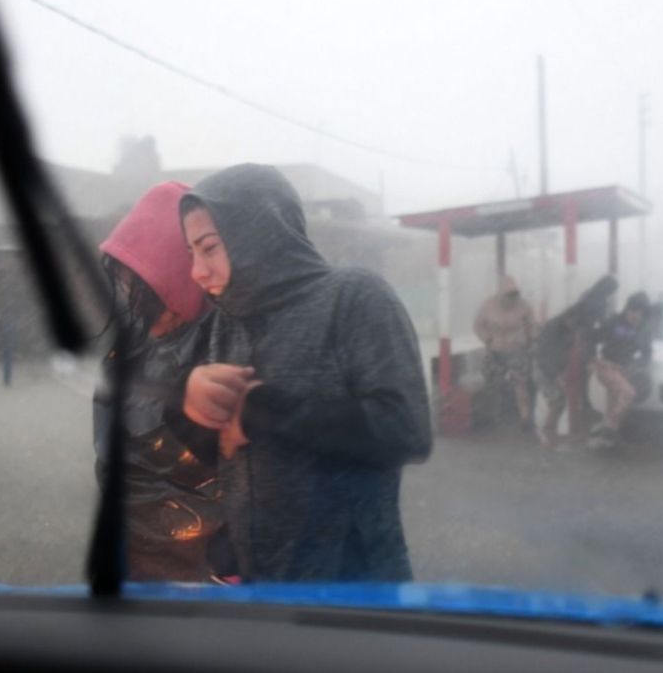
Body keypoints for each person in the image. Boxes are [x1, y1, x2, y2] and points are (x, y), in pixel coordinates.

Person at [174, 163, 432, 583]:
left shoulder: (354, 297)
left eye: (209, 247)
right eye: (191, 253)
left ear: (258, 235)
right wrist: (192, 408)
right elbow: (228, 453)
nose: (196, 272)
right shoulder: (226, 321)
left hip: (352, 588)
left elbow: (405, 430)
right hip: (260, 587)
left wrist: (263, 409)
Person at [92, 181, 232, 583]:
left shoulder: (228, 343)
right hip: (132, 554)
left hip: (208, 570)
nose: (133, 300)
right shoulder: (127, 353)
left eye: (145, 288)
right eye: (124, 283)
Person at [534, 276, 617, 448]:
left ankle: (550, 433)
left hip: (554, 367)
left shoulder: (571, 323)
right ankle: (548, 432)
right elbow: (545, 354)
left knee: (559, 400)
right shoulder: (557, 329)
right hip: (545, 370)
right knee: (558, 400)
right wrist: (557, 374)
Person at [588, 291, 652, 449]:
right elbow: (593, 338)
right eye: (632, 310)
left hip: (624, 370)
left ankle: (606, 440)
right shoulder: (614, 321)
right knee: (627, 393)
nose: (635, 315)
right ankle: (608, 428)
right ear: (627, 309)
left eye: (639, 312)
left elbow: (647, 354)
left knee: (614, 402)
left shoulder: (644, 331)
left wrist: (637, 365)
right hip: (606, 366)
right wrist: (592, 359)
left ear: (644, 314)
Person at [473, 276, 537, 432]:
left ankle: (525, 419)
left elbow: (532, 324)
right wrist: (486, 338)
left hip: (517, 350)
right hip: (494, 351)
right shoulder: (488, 305)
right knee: (493, 384)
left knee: (520, 383)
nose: (512, 299)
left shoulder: (523, 305)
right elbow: (477, 325)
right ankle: (492, 418)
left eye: (514, 295)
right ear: (501, 294)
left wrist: (531, 340)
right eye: (509, 295)